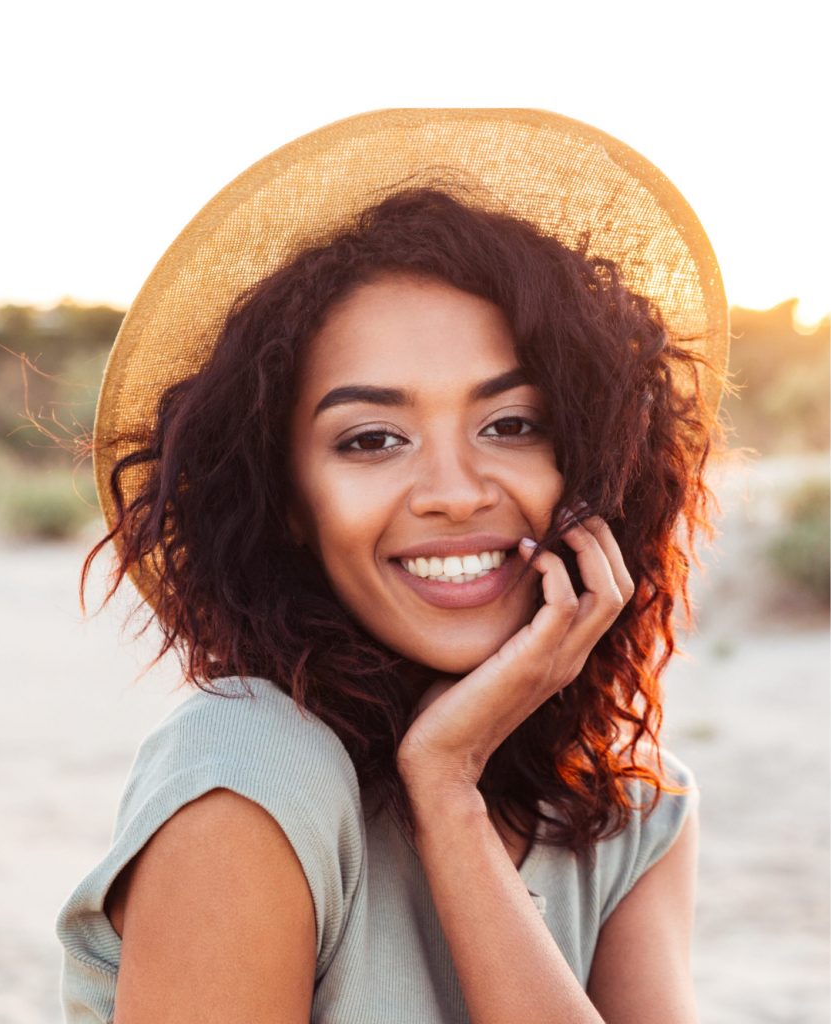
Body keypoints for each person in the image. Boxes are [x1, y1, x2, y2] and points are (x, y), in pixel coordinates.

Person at [56, 109, 728, 1023]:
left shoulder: (632, 807)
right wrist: (443, 782)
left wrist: (448, 788)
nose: (454, 492)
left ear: (590, 463)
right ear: (287, 502)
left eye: (512, 425)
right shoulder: (251, 769)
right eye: (372, 439)